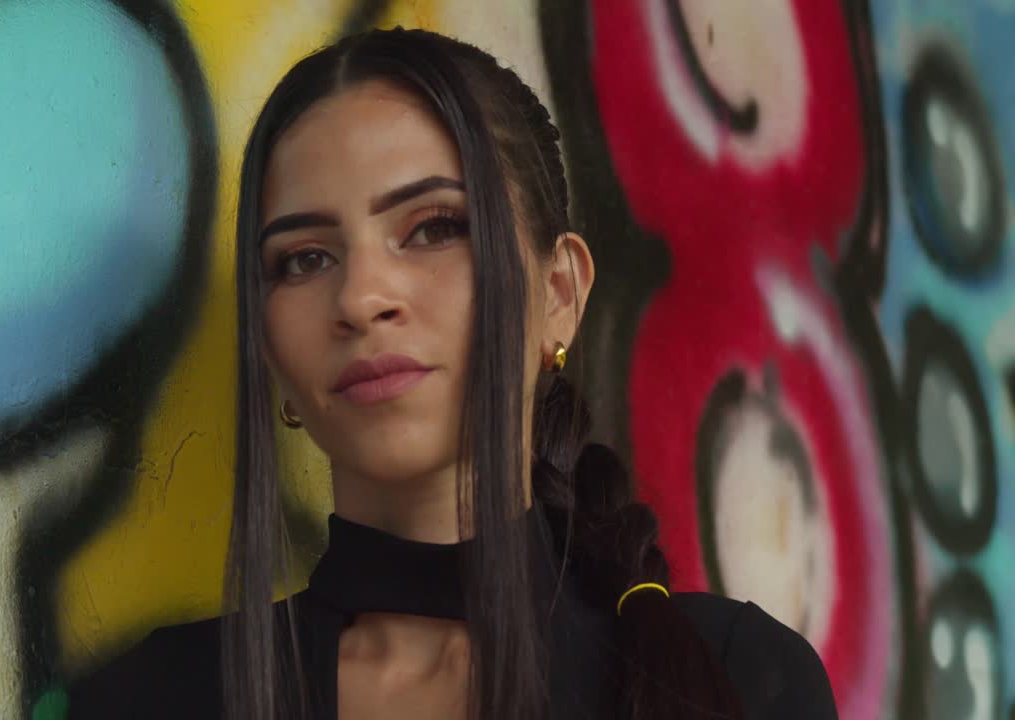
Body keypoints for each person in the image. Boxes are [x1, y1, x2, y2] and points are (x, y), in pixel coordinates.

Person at [67, 27, 837, 720]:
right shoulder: (150, 700)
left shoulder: (735, 677)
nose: (361, 298)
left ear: (560, 294)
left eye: (434, 228)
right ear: (268, 343)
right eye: (304, 259)